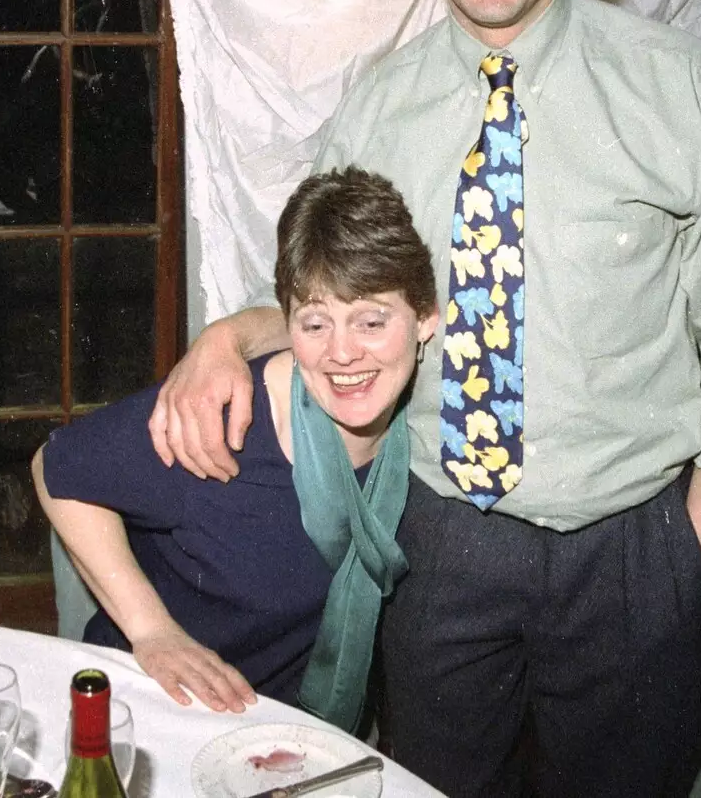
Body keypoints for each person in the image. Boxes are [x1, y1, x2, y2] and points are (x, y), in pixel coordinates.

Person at [147, 0, 701, 797]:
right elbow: (339, 312)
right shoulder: (378, 107)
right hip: (440, 542)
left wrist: (686, 561)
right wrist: (226, 337)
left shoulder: (676, 87)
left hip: (632, 548)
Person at [34, 167, 438, 732]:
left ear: (426, 320)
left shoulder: (425, 432)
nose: (343, 353)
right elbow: (56, 467)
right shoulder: (226, 421)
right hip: (156, 712)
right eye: (315, 324)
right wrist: (153, 630)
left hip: (285, 735)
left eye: (371, 320)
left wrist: (237, 330)